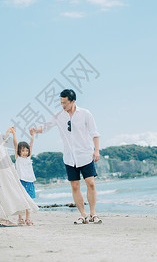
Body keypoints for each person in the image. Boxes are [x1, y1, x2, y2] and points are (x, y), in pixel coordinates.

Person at [31, 89, 102, 224]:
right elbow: (46, 127)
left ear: (73, 101)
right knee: (75, 186)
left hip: (85, 154)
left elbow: (95, 133)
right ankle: (83, 215)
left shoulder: (85, 114)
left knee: (91, 183)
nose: (62, 105)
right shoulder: (59, 116)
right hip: (70, 157)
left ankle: (93, 213)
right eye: (61, 102)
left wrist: (96, 150)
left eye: (65, 103)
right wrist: (36, 130)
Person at [0, 100, 39, 227]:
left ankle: (9, 216)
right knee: (1, 189)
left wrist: (8, 134)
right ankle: (2, 218)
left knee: (11, 187)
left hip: (4, 162)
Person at [12, 128, 36, 226]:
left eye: (27, 151)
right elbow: (15, 144)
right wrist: (14, 134)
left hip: (30, 182)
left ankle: (27, 219)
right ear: (19, 151)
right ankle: (20, 218)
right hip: (21, 182)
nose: (25, 152)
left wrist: (32, 136)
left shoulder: (28, 158)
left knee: (29, 201)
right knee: (21, 201)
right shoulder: (18, 159)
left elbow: (31, 145)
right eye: (23, 151)